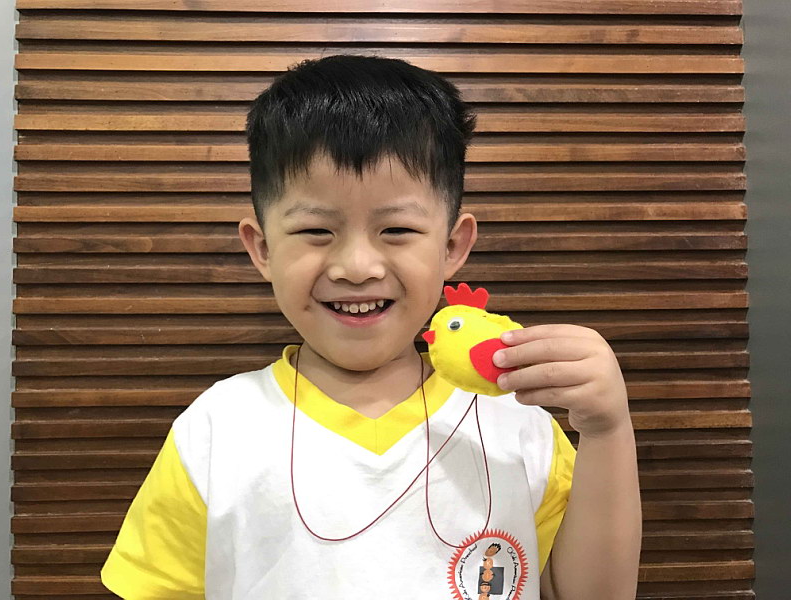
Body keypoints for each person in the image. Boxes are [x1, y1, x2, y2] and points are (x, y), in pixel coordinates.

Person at [100, 54, 641, 599]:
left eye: (397, 229)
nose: (357, 267)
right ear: (262, 249)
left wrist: (607, 431)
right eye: (316, 231)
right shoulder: (217, 428)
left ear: (452, 246)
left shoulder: (516, 424)